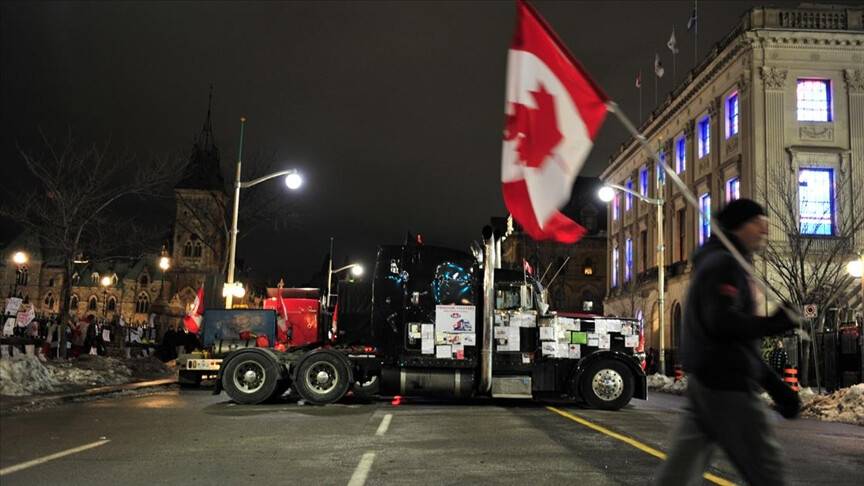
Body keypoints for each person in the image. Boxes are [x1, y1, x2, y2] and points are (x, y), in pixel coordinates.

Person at [655, 199, 802, 486]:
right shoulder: (724, 264)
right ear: (740, 225)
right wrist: (776, 323)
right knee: (767, 472)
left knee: (678, 475)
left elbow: (733, 338)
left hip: (707, 382)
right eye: (760, 223)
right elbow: (722, 323)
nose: (765, 231)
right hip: (727, 385)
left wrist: (776, 387)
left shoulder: (717, 262)